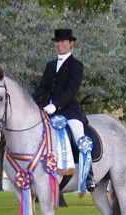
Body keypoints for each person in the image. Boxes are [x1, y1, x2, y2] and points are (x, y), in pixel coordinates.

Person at [32, 29, 95, 192]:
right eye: (57, 42)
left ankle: (88, 175)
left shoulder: (76, 65)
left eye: (62, 42)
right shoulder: (50, 65)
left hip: (69, 111)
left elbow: (71, 90)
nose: (59, 44)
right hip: (49, 110)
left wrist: (56, 105)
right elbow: (42, 87)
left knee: (79, 135)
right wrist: (32, 101)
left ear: (71, 43)